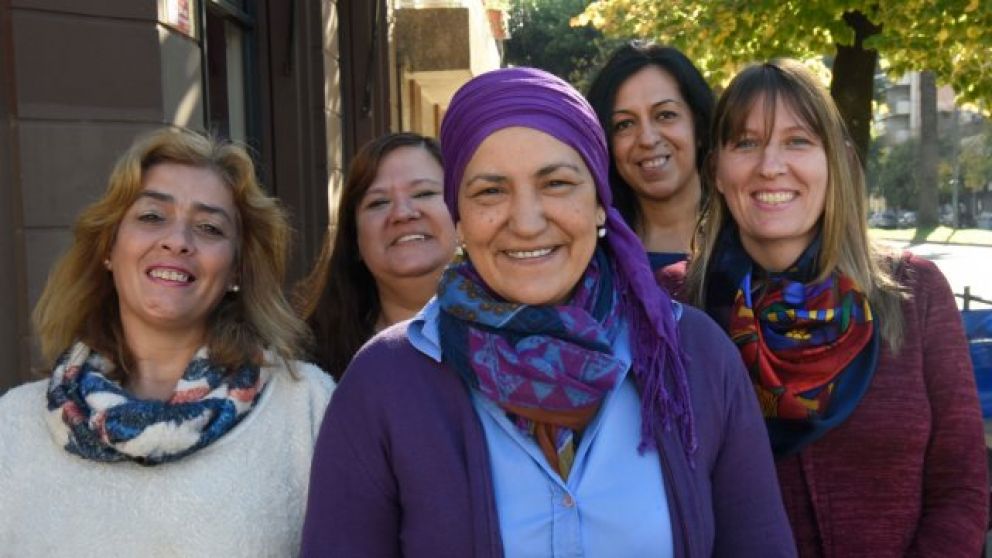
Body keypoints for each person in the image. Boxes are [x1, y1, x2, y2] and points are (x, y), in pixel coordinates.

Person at [300, 67, 795, 557]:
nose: (527, 221)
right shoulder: (385, 382)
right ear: (460, 217)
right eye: (490, 191)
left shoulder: (694, 357)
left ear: (601, 203)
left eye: (556, 183)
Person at [682, 59, 988, 556]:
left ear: (839, 160)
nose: (770, 165)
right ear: (716, 169)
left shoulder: (915, 293)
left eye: (798, 141)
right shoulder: (675, 305)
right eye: (745, 142)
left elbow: (962, 485)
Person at [0, 128, 335, 557]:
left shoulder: (303, 409)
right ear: (108, 248)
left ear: (236, 269)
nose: (177, 241)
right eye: (152, 217)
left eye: (209, 227)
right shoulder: (14, 425)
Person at [296, 132, 456, 379]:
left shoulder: (515, 338)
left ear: (462, 218)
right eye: (378, 202)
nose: (403, 213)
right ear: (355, 240)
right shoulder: (307, 367)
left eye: (424, 193)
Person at [586, 41, 714, 270]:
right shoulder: (592, 259)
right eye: (624, 124)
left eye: (665, 115)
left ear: (700, 127)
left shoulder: (751, 239)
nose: (647, 139)